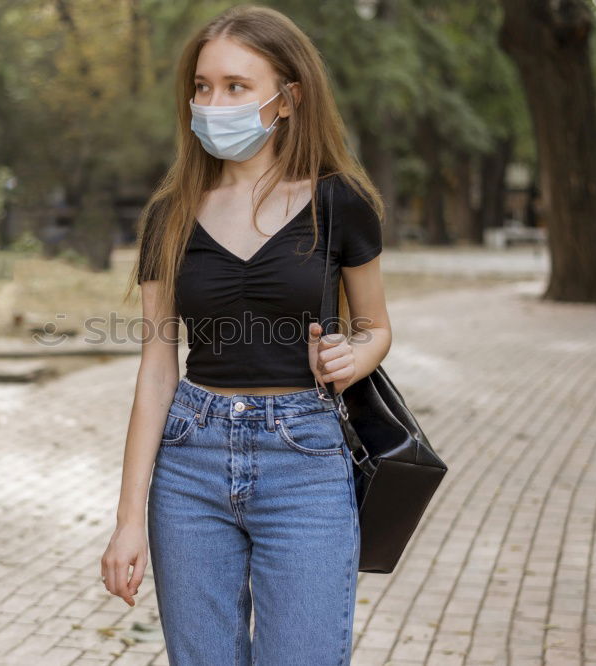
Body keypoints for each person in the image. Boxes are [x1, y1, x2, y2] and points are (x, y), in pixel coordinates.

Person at [101, 5, 392, 664]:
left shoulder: (341, 202)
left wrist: (354, 354)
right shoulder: (169, 215)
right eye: (203, 87)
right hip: (189, 462)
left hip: (305, 460)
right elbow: (155, 368)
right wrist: (127, 521)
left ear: (287, 97)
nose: (213, 103)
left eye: (236, 86)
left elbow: (376, 329)